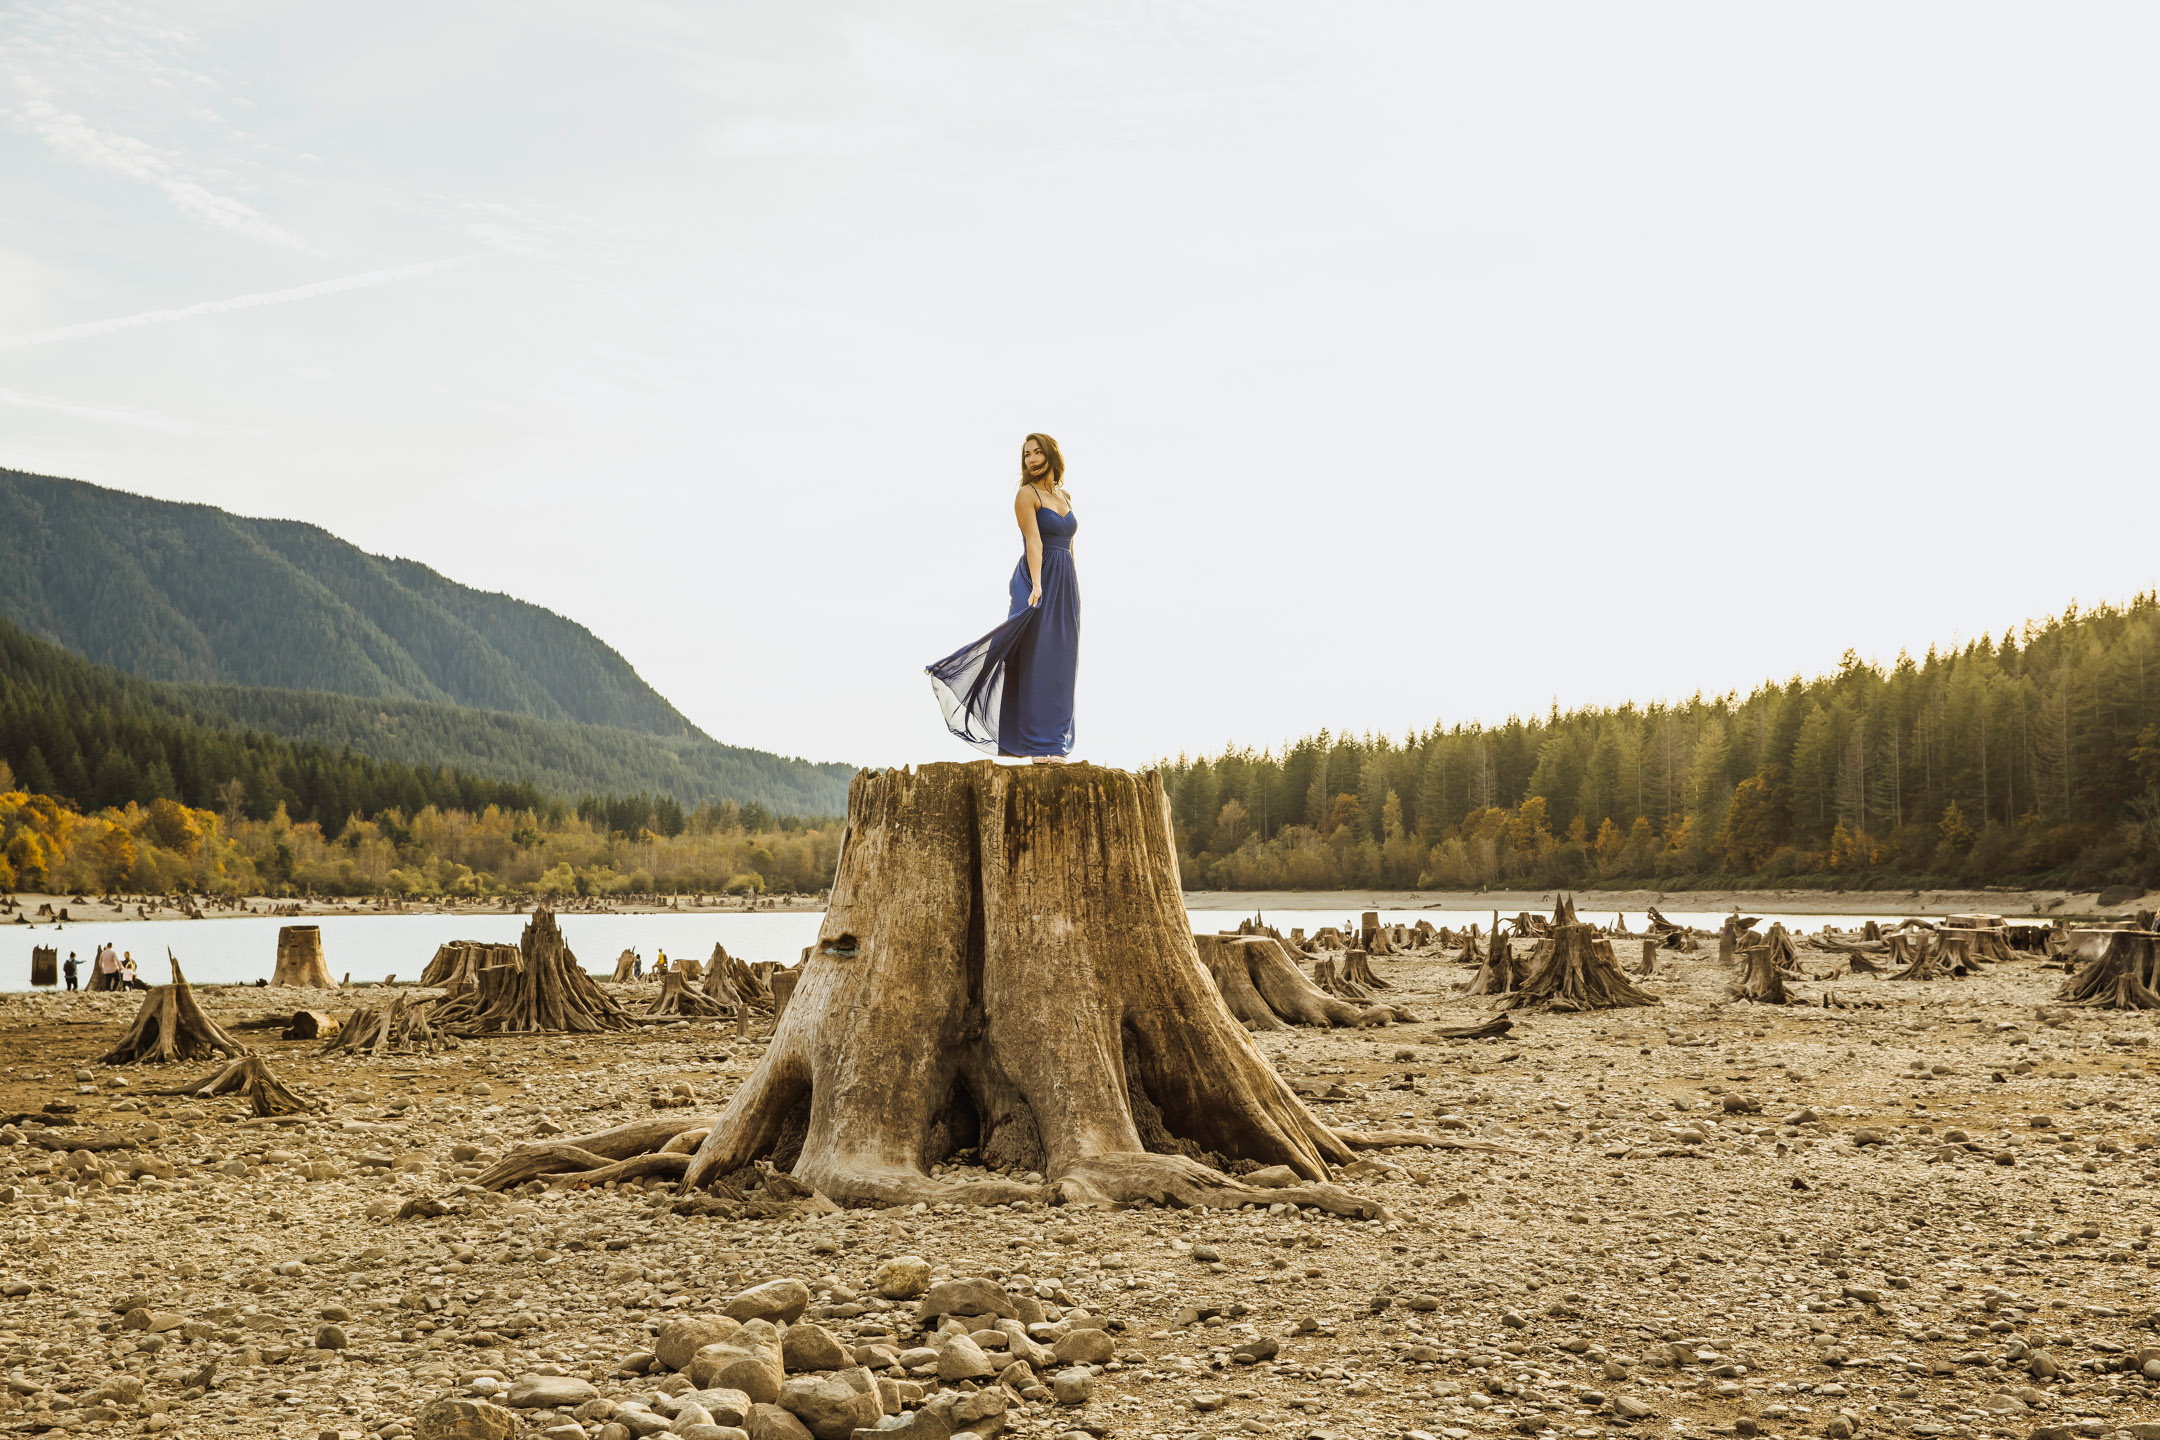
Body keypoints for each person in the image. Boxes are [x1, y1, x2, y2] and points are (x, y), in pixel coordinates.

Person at [926, 433, 1081, 762]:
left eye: (1038, 452)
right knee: (1036, 658)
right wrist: (1038, 586)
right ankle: (1038, 744)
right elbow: (1034, 542)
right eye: (1027, 455)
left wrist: (1073, 590)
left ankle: (1055, 742)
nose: (1032, 459)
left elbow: (1069, 546)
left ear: (1052, 455)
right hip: (1036, 579)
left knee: (1062, 662)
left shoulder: (1066, 496)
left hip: (1065, 582)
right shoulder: (1026, 495)